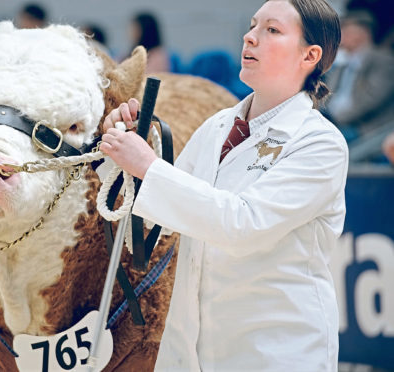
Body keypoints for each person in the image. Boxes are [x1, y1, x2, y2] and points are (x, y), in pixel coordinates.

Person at [101, 0, 347, 370]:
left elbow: (242, 225)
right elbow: (162, 217)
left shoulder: (320, 143)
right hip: (190, 351)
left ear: (310, 55)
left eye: (272, 30)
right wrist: (120, 151)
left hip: (275, 352)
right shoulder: (218, 126)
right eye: (252, 26)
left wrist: (148, 166)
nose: (250, 37)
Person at [322, 10, 394, 140]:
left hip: (364, 130)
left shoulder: (384, 61)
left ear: (363, 32)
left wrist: (332, 119)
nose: (340, 36)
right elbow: (327, 95)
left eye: (345, 30)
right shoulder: (343, 63)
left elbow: (369, 100)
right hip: (332, 122)